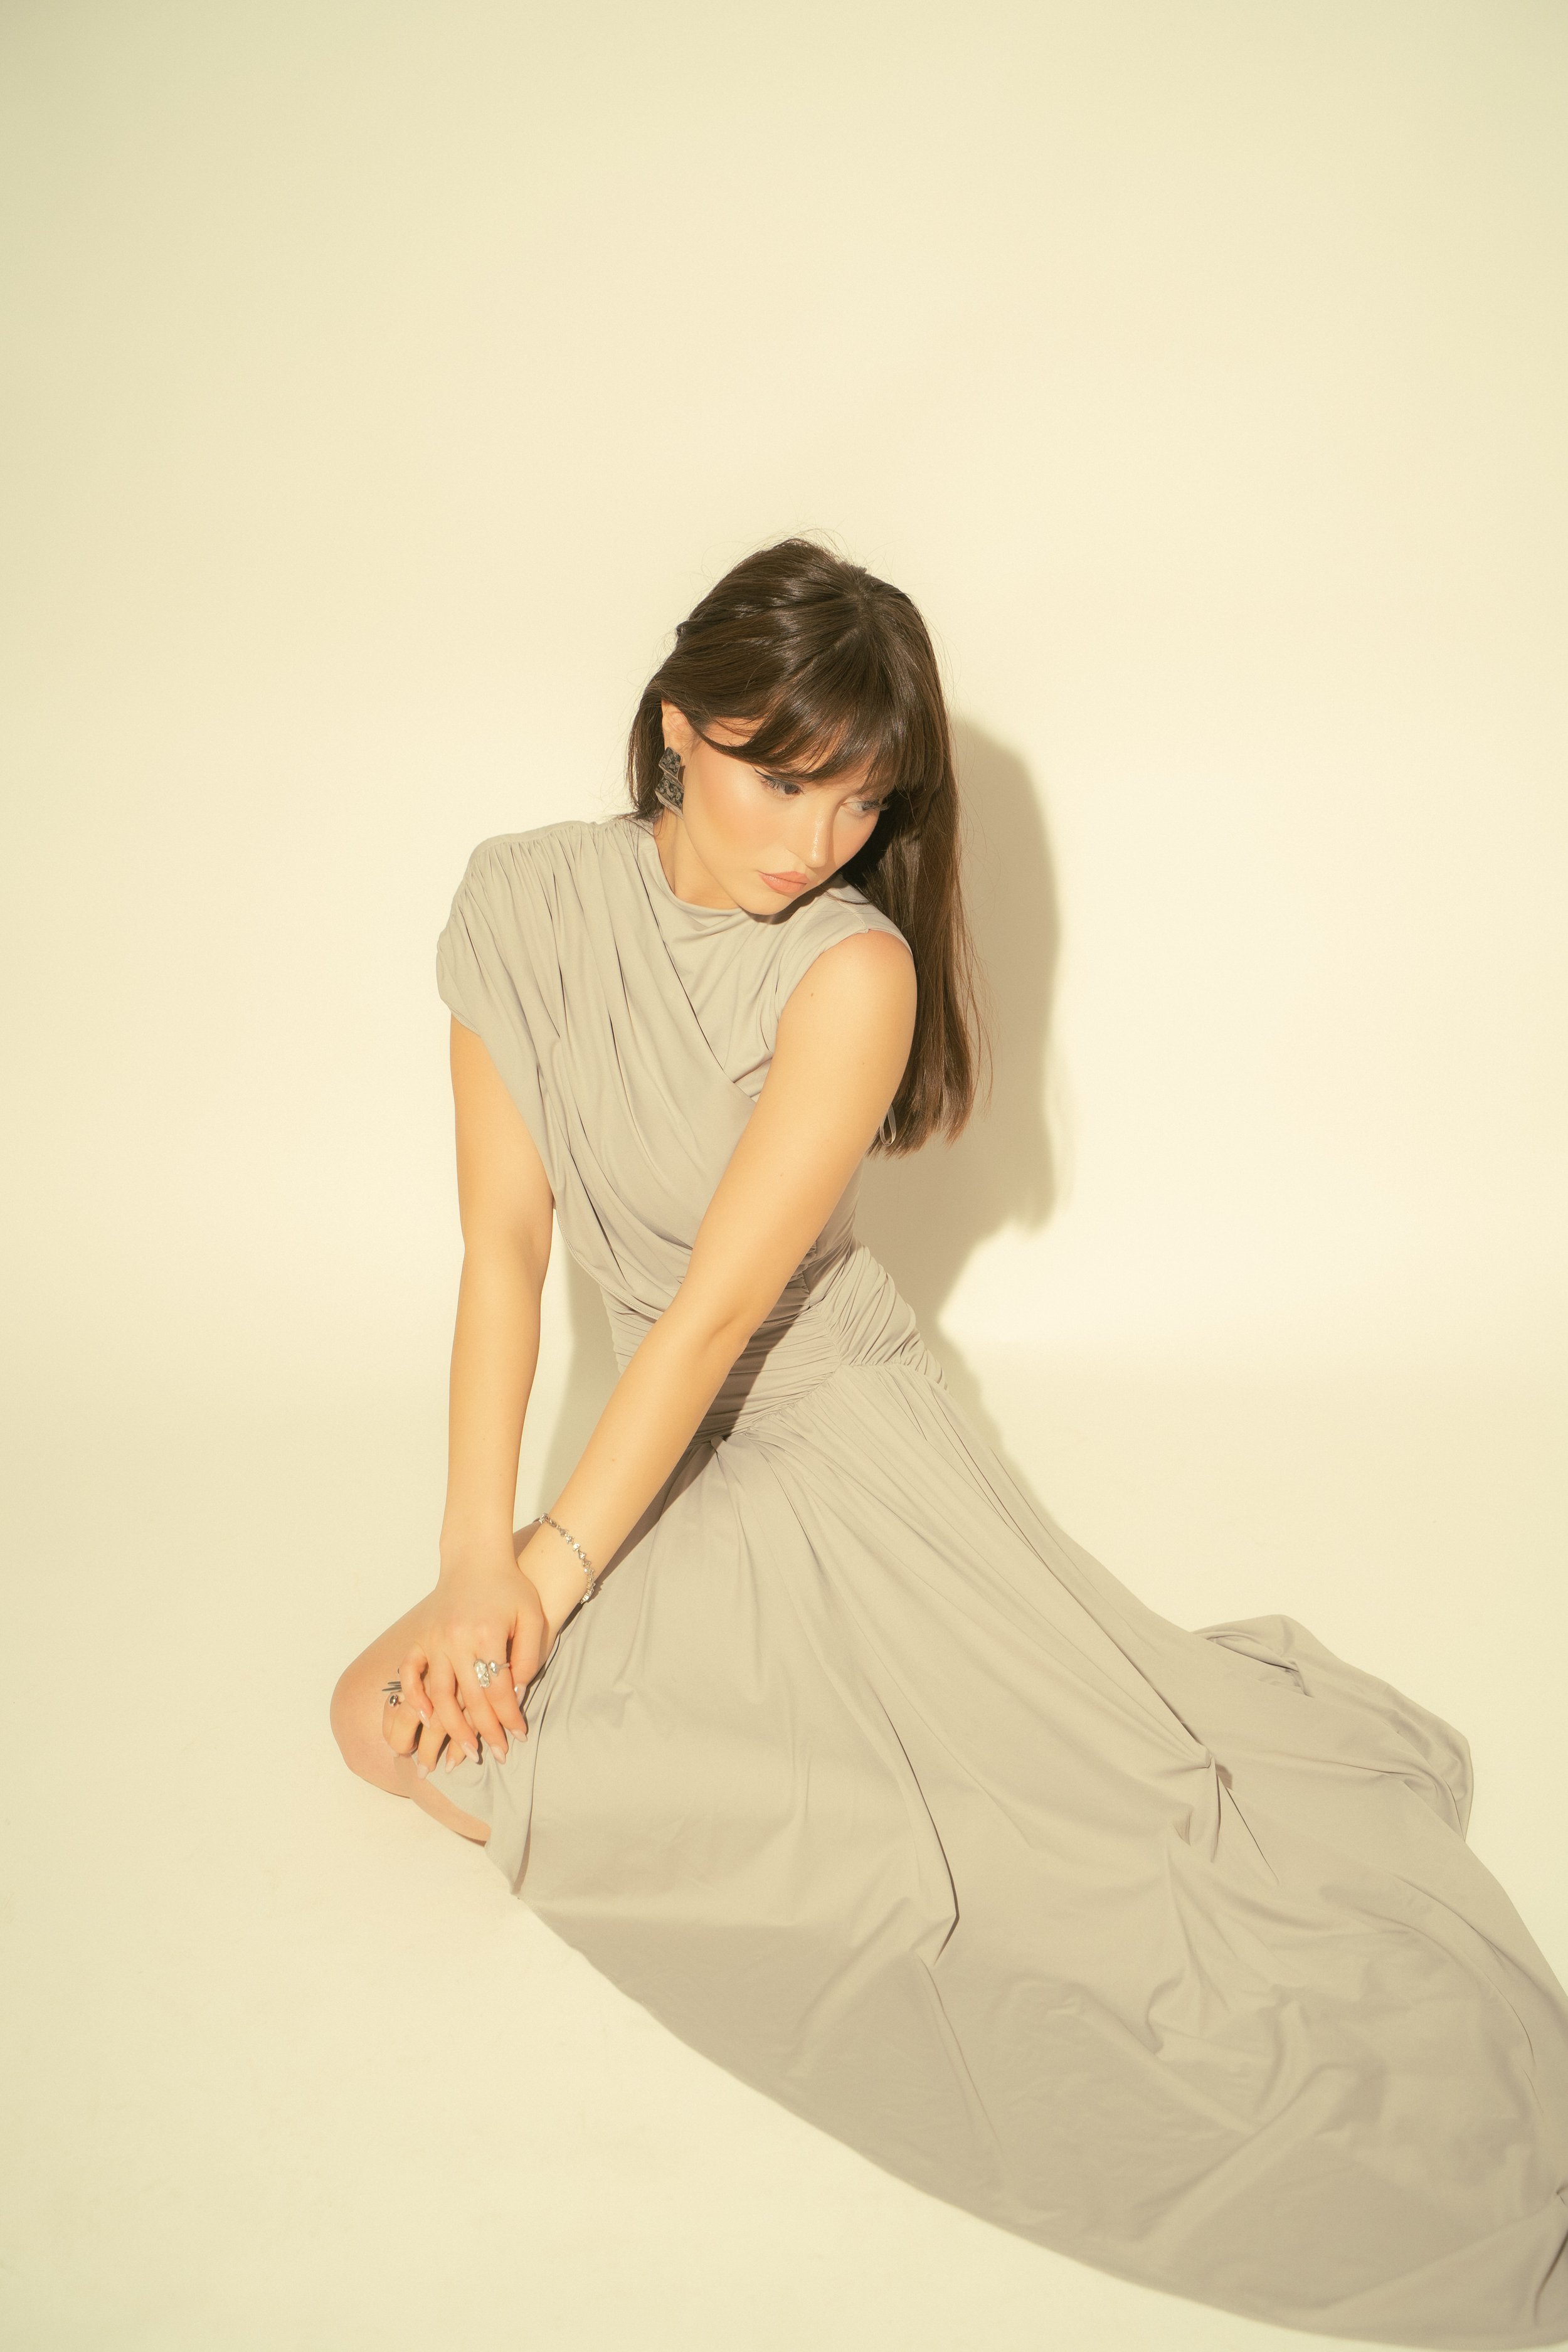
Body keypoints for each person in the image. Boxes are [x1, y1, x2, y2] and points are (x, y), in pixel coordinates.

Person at [331, 539, 1568, 2348]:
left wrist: (550, 1567)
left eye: (856, 798)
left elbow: (708, 1324)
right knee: (385, 1721)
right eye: (777, 775)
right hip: (649, 1445)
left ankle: (810, 1806)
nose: (811, 838)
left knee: (1029, 1856)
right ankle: (753, 1778)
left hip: (823, 1431)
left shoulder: (851, 974)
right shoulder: (518, 901)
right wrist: (467, 1556)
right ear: (676, 731)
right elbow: (504, 1252)